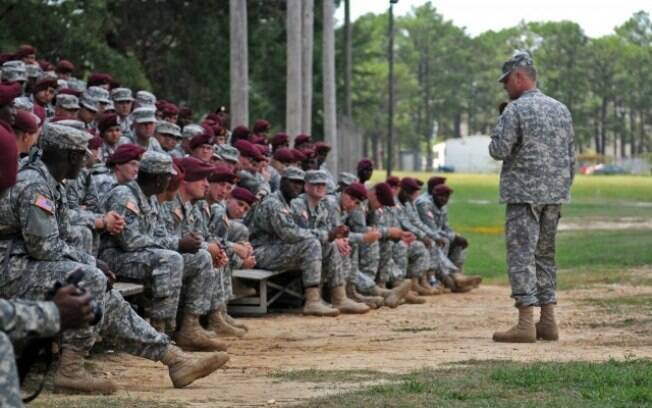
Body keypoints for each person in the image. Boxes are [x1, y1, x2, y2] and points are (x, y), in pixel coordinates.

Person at [1, 123, 228, 394]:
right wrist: (90, 261)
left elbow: (52, 244)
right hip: (9, 268)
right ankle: (71, 370)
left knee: (106, 293)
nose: (85, 161)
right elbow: (44, 248)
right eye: (81, 155)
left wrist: (89, 261)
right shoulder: (34, 184)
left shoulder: (51, 182)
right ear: (70, 156)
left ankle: (173, 358)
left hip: (22, 264)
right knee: (91, 279)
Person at [490, 51, 576, 343]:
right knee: (545, 256)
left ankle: (525, 322)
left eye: (506, 82)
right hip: (554, 193)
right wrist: (562, 188)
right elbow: (571, 157)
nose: (505, 88)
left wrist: (500, 121)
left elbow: (498, 150)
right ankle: (548, 321)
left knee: (521, 256)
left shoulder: (515, 110)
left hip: (523, 194)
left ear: (518, 77)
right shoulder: (561, 109)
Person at [248, 168, 347, 316]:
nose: (297, 187)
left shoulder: (287, 203)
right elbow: (290, 234)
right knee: (312, 244)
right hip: (261, 252)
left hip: (278, 249)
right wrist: (326, 234)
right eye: (293, 182)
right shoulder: (273, 203)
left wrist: (330, 236)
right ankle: (312, 301)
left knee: (329, 245)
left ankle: (339, 297)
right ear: (282, 183)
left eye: (300, 183)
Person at [291, 170, 369, 314]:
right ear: (306, 187)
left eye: (322, 184)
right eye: (315, 184)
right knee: (317, 244)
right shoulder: (298, 204)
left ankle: (340, 298)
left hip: (309, 246)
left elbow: (326, 232)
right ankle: (313, 301)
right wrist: (330, 237)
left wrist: (335, 238)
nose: (320, 187)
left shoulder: (321, 206)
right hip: (291, 247)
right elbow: (299, 234)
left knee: (333, 245)